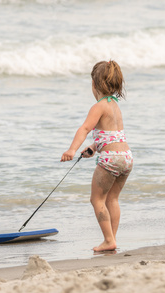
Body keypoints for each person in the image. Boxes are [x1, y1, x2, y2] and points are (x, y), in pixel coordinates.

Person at [61, 60, 133, 252]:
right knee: (112, 199)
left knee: (97, 200)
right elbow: (112, 135)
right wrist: (94, 148)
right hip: (126, 157)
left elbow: (85, 128)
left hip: (110, 159)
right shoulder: (115, 106)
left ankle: (109, 240)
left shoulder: (99, 106)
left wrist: (71, 150)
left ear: (95, 84)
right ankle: (112, 239)